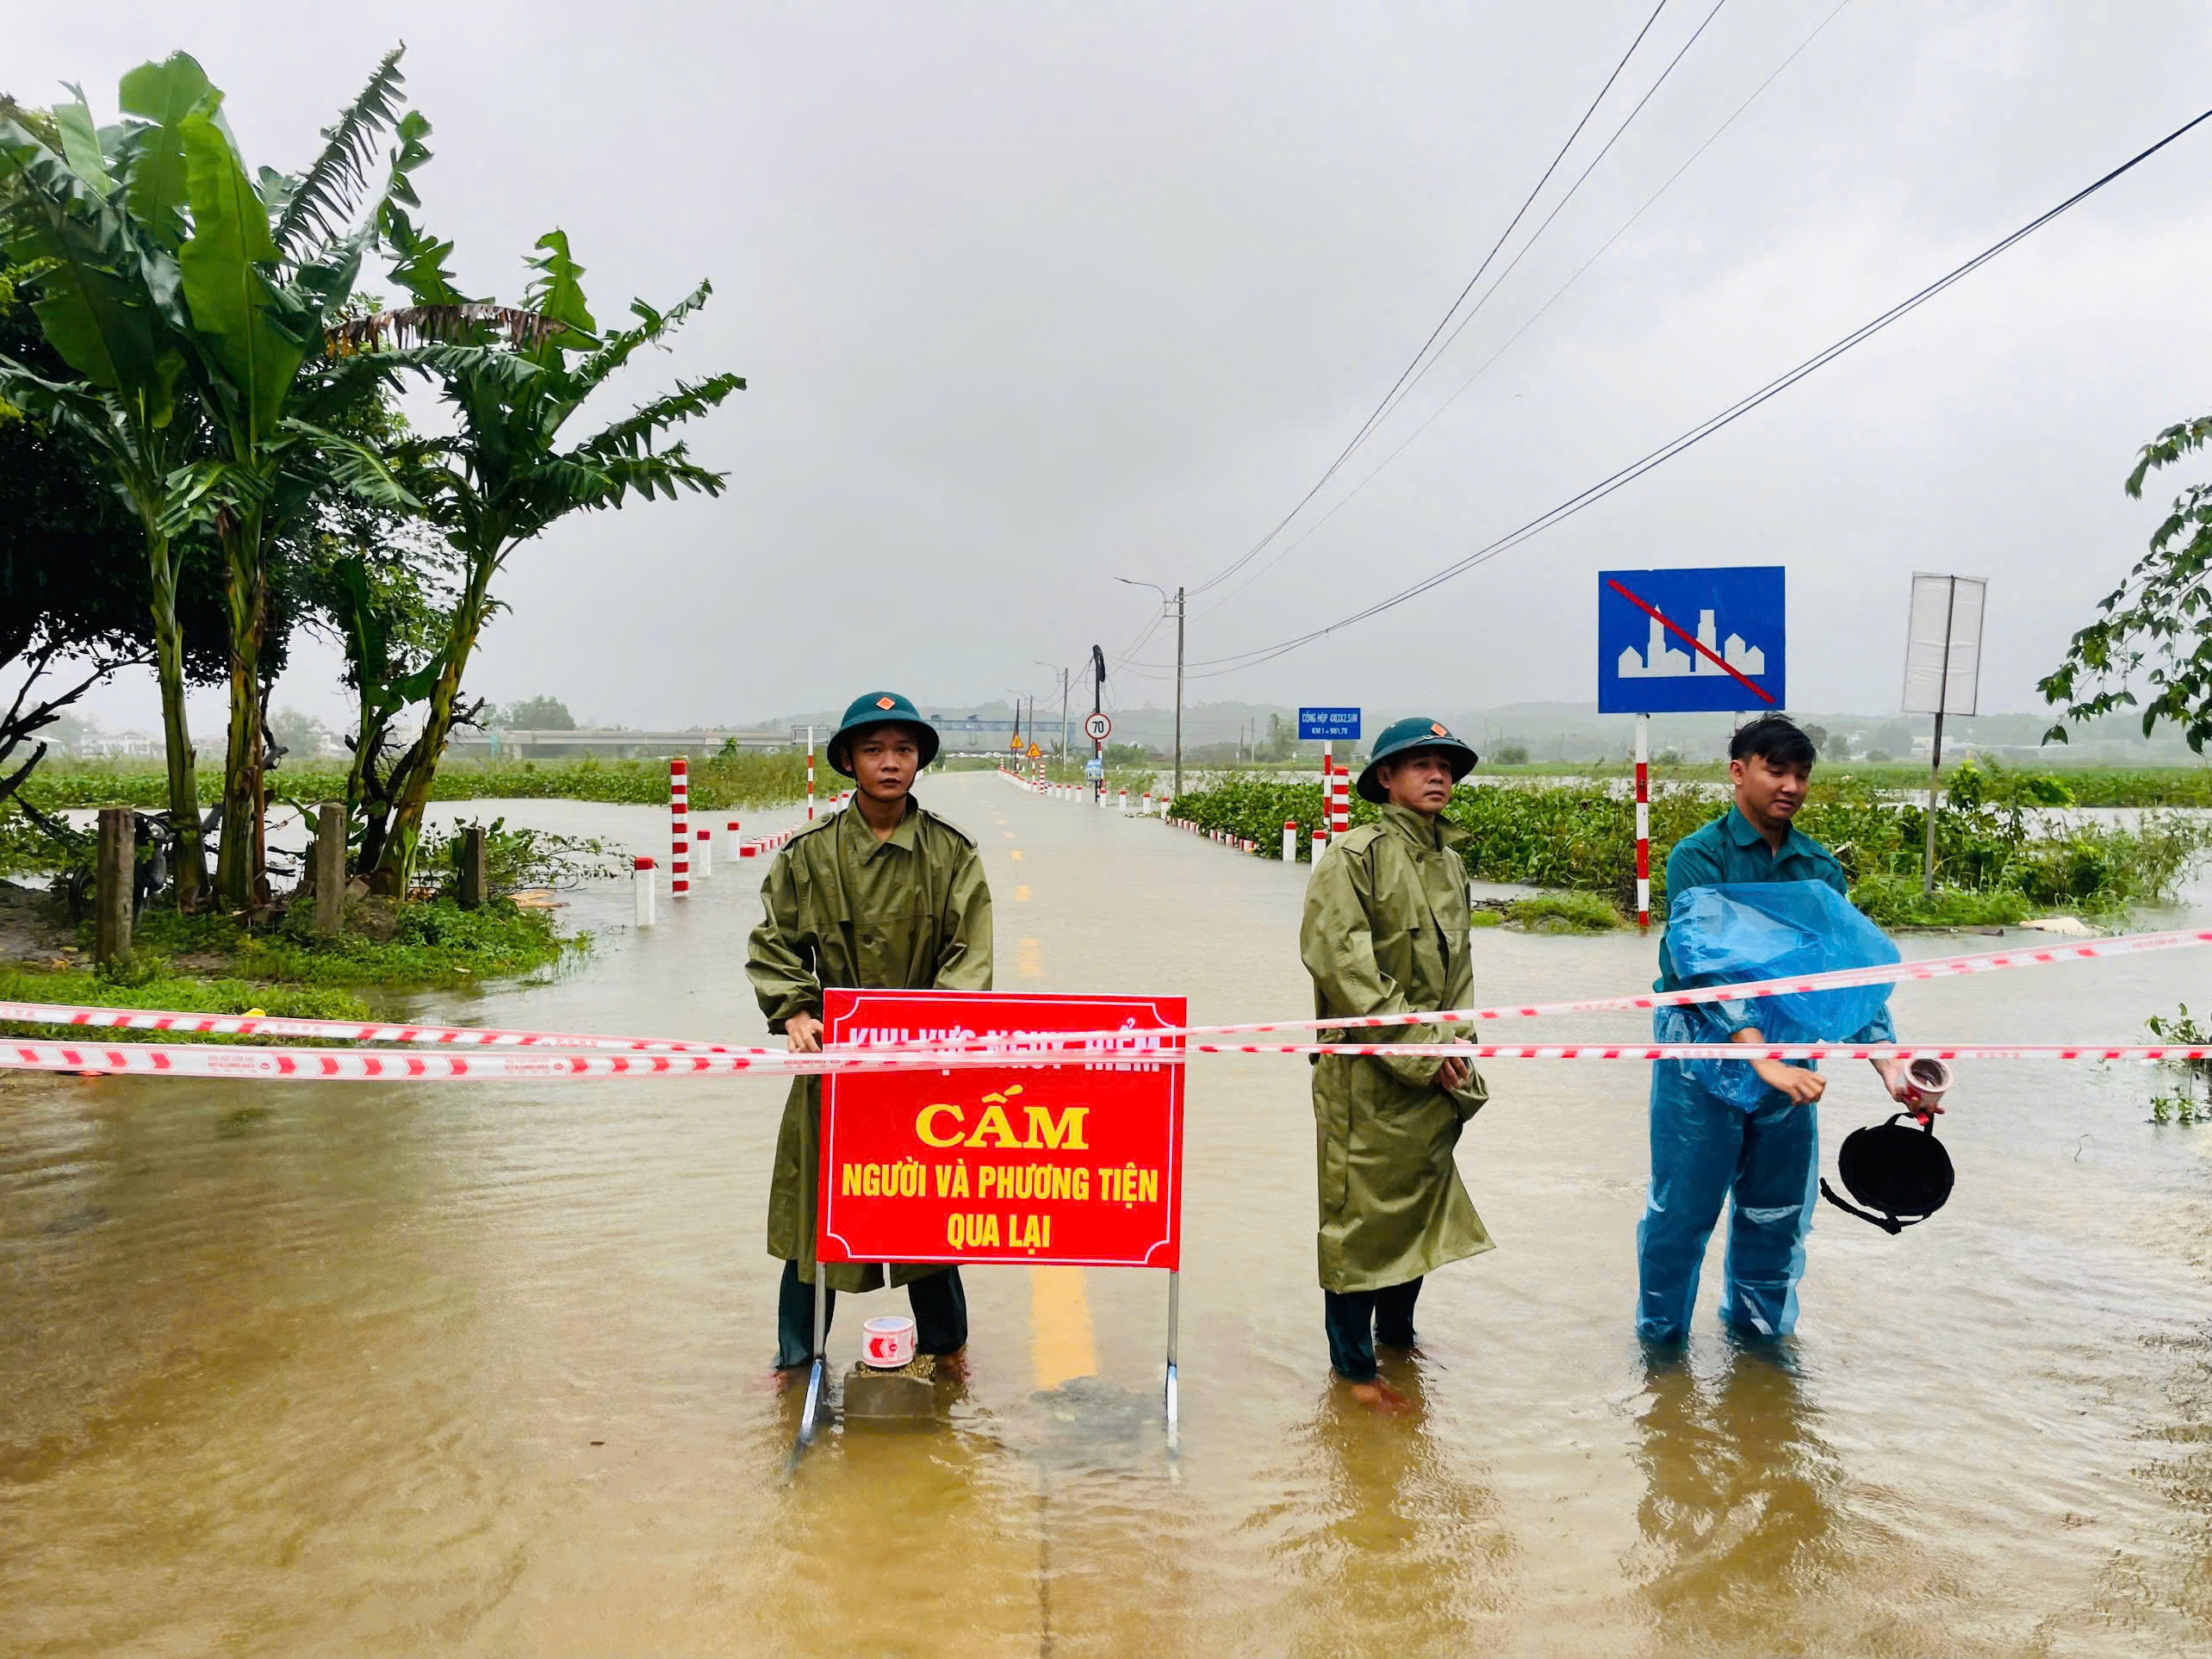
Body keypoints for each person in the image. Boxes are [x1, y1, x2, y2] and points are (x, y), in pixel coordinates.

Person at [1636, 713, 1919, 1346]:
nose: (1790, 785)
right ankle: (1661, 1354)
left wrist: (1889, 1063)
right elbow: (1705, 965)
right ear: (1739, 772)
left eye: (1801, 774)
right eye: (1776, 769)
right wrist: (1755, 1057)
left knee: (1775, 1216)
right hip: (1701, 1057)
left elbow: (1844, 978)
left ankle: (1760, 1354)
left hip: (1791, 1057)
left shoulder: (1817, 869)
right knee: (1682, 1215)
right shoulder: (1698, 857)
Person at [746, 692, 993, 1377]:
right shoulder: (809, 856)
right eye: (875, 750)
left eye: (904, 750)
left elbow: (970, 954)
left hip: (922, 1067)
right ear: (850, 761)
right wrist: (796, 1010)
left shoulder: (952, 854)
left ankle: (947, 1357)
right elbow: (774, 942)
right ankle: (797, 1362)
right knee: (816, 1208)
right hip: (832, 1065)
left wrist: (926, 1031)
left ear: (919, 762)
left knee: (925, 1207)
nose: (890, 763)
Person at [1299, 718, 1493, 1407]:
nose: (1437, 775)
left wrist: (1458, 1046)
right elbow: (1341, 964)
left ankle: (1398, 1343)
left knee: (1414, 1213)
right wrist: (1421, 1048)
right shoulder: (1354, 857)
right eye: (1420, 764)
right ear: (1386, 777)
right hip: (1367, 1079)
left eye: (1446, 764)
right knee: (1360, 1221)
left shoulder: (1449, 861)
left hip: (1436, 1077)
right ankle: (1352, 1374)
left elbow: (1460, 971)